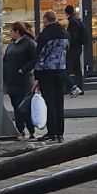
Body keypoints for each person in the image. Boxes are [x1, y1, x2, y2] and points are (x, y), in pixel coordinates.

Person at [34, 11, 70, 142]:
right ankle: (60, 132)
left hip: (47, 72)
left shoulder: (46, 35)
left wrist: (37, 76)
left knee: (50, 102)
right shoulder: (64, 33)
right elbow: (68, 51)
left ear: (45, 20)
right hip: (61, 70)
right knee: (59, 102)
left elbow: (40, 56)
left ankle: (52, 132)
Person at [2, 21, 39, 139]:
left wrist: (24, 69)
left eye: (11, 31)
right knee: (16, 106)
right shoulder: (11, 44)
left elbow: (35, 59)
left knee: (24, 106)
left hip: (23, 81)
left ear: (17, 32)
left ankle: (31, 130)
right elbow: (6, 60)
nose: (9, 33)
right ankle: (20, 129)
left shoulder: (29, 44)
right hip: (11, 80)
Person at [64, 4, 90, 96]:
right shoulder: (76, 20)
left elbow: (73, 36)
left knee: (67, 68)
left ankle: (70, 87)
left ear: (66, 13)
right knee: (76, 68)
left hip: (74, 48)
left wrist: (69, 45)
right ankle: (79, 87)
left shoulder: (72, 22)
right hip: (77, 47)